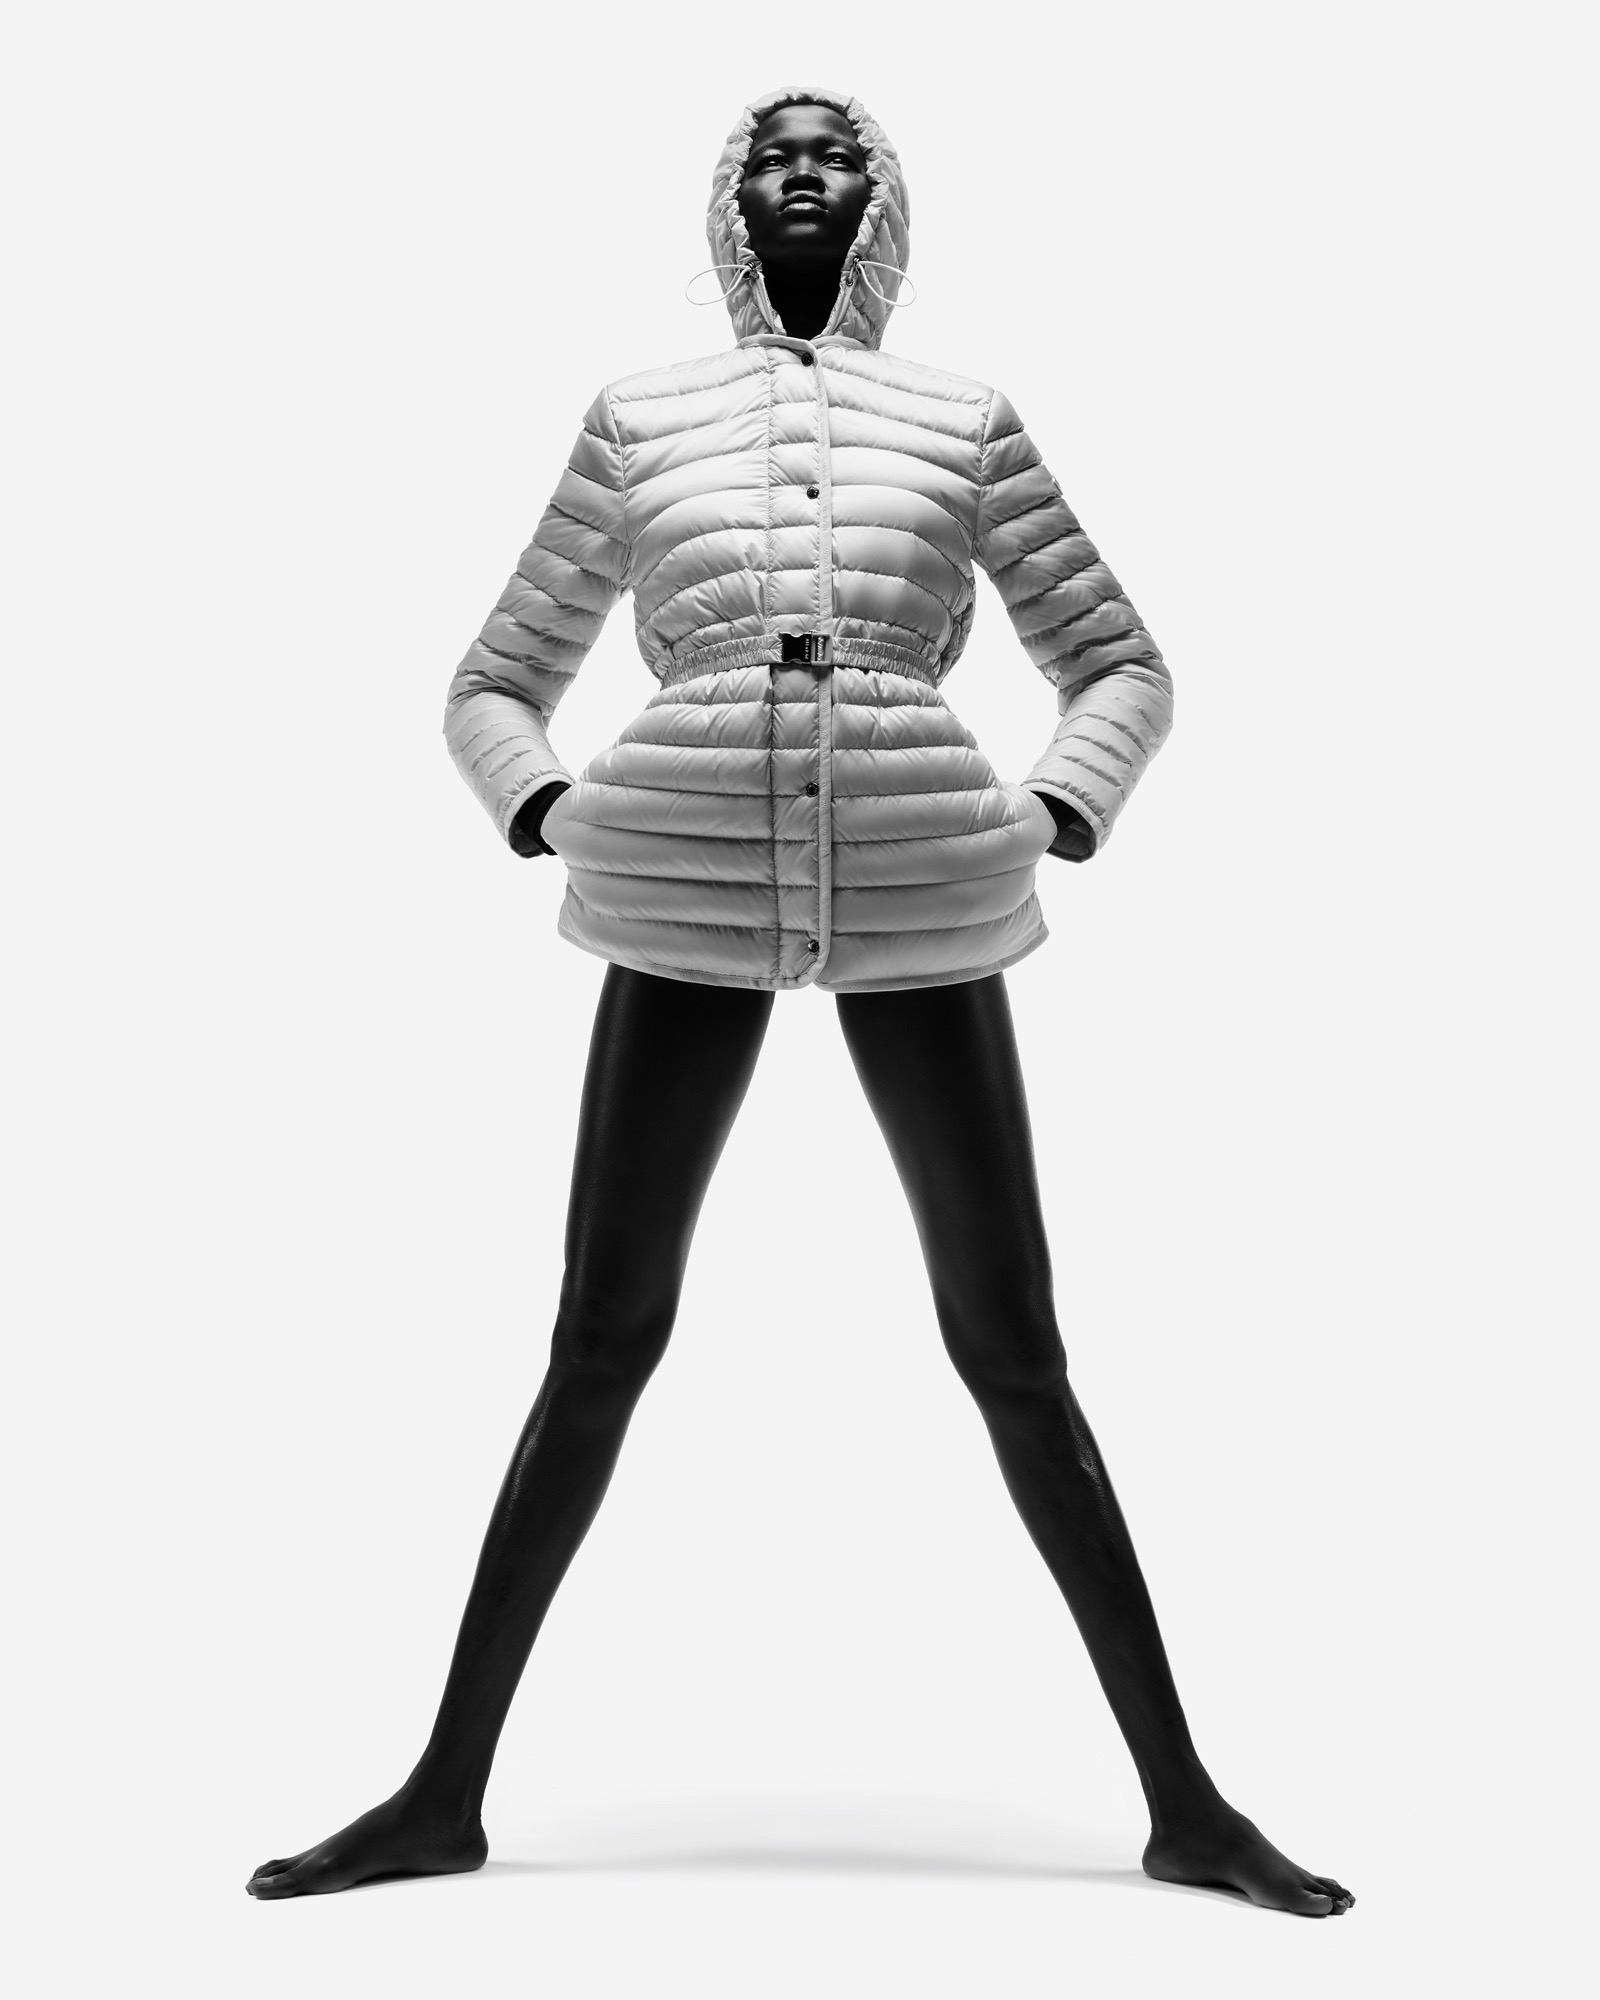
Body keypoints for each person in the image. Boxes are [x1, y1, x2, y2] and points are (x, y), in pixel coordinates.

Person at [248, 86, 1353, 1917]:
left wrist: (1054, 808)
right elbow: (493, 679)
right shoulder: (641, 417)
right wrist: (546, 805)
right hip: (675, 880)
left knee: (1014, 1348)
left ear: (886, 199)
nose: (807, 173)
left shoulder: (963, 419)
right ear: (731, 198)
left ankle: (1189, 1805)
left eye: (839, 152)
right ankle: (440, 1794)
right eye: (775, 153)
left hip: (925, 881)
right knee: (601, 1338)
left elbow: (1121, 662)